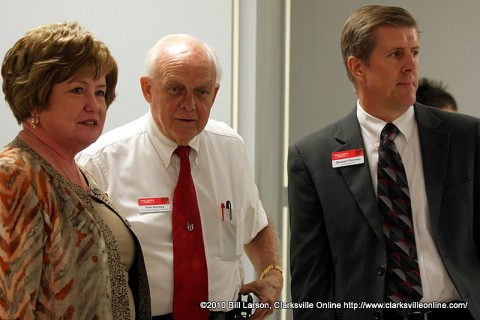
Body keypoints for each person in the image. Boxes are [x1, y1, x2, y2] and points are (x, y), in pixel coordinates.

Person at [288, 5, 480, 320]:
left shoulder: (467, 137)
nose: (411, 65)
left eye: (414, 52)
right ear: (358, 67)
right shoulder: (312, 157)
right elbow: (311, 281)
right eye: (395, 55)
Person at [76, 33, 283, 320]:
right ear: (148, 89)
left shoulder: (230, 147)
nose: (189, 104)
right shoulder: (100, 162)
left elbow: (254, 224)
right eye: (175, 89)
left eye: (202, 92)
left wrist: (272, 276)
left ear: (215, 93)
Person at [0, 22, 151, 319]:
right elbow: (10, 305)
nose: (94, 105)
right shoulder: (14, 174)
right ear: (35, 98)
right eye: (78, 90)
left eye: (100, 91)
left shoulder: (81, 173)